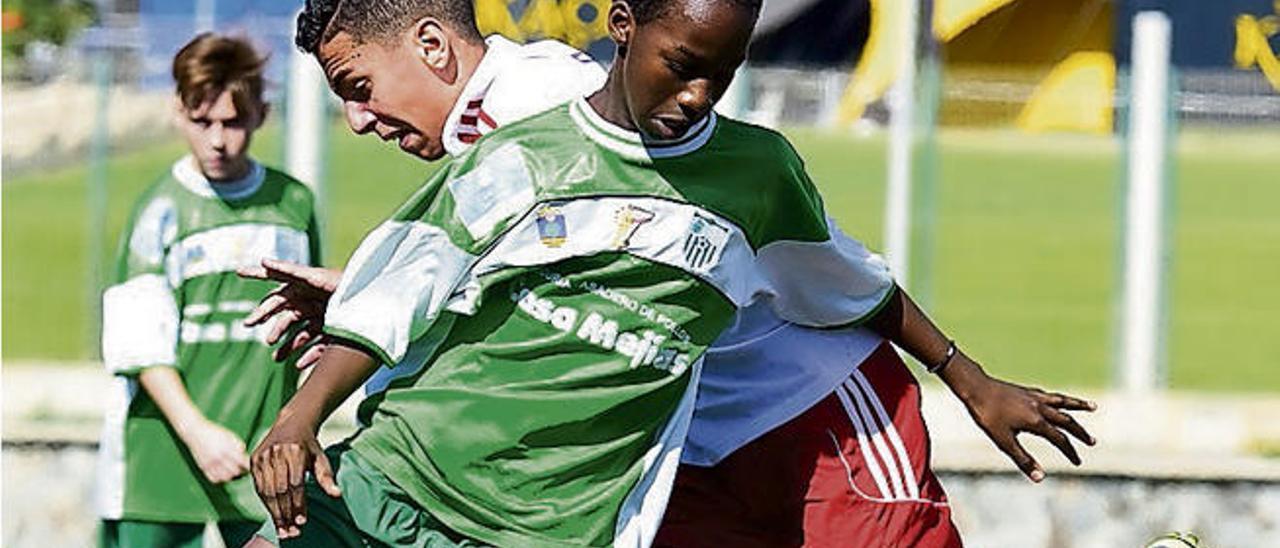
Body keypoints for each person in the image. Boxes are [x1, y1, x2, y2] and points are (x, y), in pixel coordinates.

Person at [242, 0, 1096, 546]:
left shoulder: (550, 101)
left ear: (431, 44)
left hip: (809, 407)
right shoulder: (505, 143)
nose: (356, 120)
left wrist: (965, 376)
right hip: (674, 438)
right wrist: (367, 294)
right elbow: (514, 254)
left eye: (358, 86)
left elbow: (825, 261)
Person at [94, 33, 322, 548]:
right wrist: (198, 433)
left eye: (233, 121)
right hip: (164, 458)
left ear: (262, 114)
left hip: (263, 458)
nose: (218, 140)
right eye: (203, 122)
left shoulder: (294, 204)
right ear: (178, 112)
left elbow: (307, 327)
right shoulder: (159, 212)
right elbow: (140, 347)